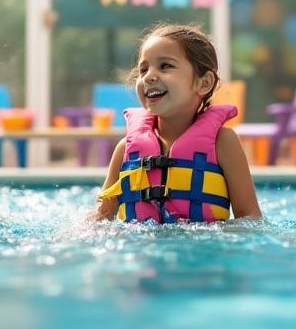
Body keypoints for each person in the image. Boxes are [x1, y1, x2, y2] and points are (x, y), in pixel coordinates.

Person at [95, 24, 261, 222]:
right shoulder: (126, 149)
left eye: (166, 66)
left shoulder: (223, 143)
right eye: (143, 69)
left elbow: (250, 219)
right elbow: (100, 218)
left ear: (204, 83)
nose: (149, 77)